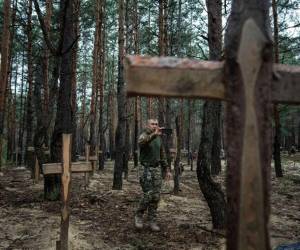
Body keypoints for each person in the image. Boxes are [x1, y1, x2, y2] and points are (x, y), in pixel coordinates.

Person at [134, 118, 172, 232]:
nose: (155, 126)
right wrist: (154, 135)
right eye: (152, 124)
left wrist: (167, 169)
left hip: (156, 169)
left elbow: (162, 155)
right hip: (145, 169)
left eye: (156, 124)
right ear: (147, 125)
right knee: (148, 194)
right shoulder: (144, 135)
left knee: (156, 196)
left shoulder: (158, 138)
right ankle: (138, 215)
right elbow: (141, 143)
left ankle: (152, 220)